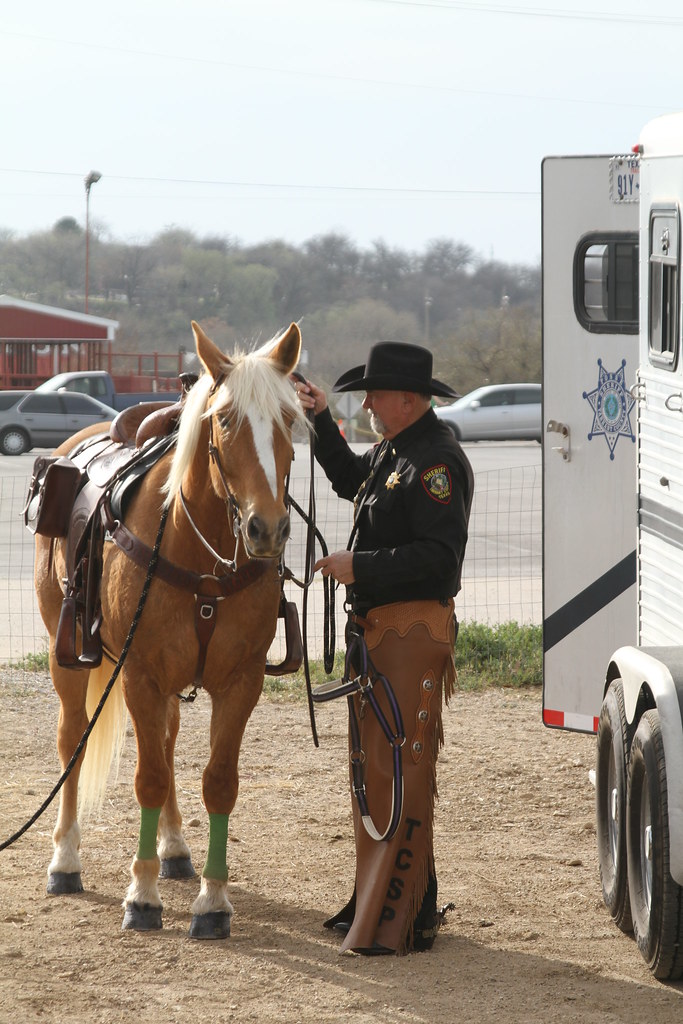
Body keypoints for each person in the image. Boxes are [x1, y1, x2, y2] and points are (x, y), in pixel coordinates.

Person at [294, 341, 474, 956]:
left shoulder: (435, 462)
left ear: (409, 399)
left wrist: (359, 567)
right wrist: (321, 420)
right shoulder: (401, 449)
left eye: (374, 393)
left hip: (409, 636)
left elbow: (438, 558)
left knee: (398, 770)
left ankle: (390, 916)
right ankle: (398, 904)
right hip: (384, 636)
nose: (366, 402)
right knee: (381, 773)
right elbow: (351, 480)